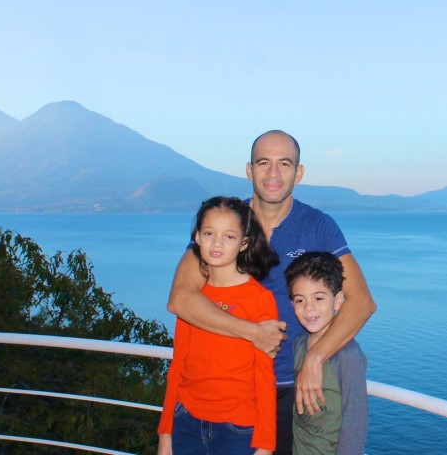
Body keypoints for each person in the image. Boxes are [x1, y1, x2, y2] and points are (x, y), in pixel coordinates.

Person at [168, 130, 377, 455]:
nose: (274, 173)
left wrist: (315, 358)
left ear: (299, 172)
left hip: (291, 390)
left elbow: (361, 301)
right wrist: (252, 332)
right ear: (250, 170)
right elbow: (181, 297)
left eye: (285, 164)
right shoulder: (227, 224)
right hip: (225, 390)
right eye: (264, 163)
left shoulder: (318, 226)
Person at [158, 196, 280, 455]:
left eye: (229, 236)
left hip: (238, 428)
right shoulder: (194, 300)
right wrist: (165, 433)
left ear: (244, 243)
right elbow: (178, 363)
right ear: (197, 238)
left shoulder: (259, 299)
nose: (217, 243)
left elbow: (264, 377)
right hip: (186, 420)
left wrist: (266, 445)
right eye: (209, 233)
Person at [285, 252, 368, 455]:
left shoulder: (348, 356)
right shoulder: (299, 344)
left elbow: (355, 420)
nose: (309, 308)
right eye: (300, 300)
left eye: (319, 298)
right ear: (291, 305)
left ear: (338, 300)